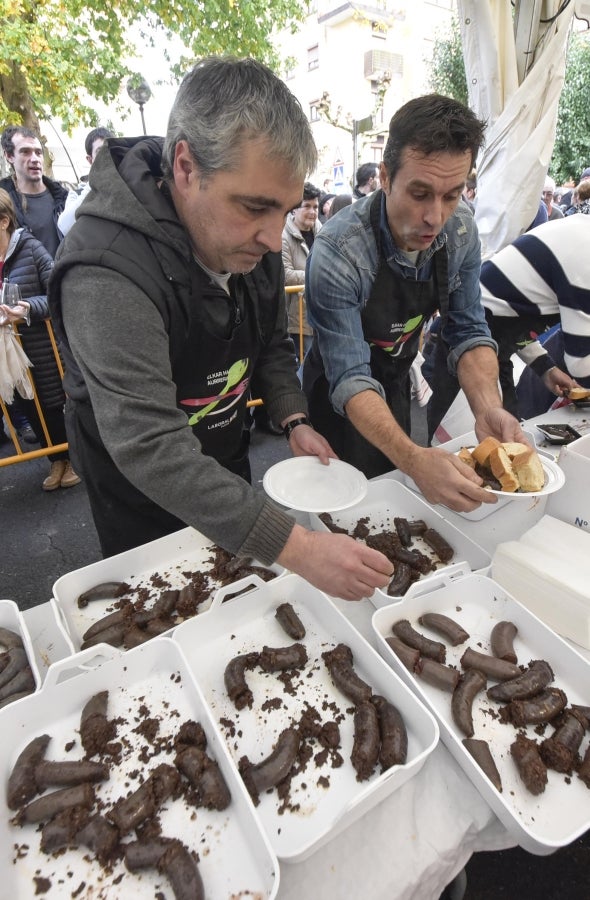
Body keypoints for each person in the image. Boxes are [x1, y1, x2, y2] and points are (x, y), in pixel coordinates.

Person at [48, 56, 394, 602]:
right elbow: (151, 446)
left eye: (283, 210)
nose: (270, 236)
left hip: (224, 464)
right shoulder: (104, 271)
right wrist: (299, 549)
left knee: (234, 598)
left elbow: (271, 344)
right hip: (139, 496)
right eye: (254, 206)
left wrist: (292, 415)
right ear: (185, 166)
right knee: (163, 611)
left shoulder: (256, 243)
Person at [303, 93, 526, 513]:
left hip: (394, 382)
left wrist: (488, 410)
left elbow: (469, 330)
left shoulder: (460, 232)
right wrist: (413, 458)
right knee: (337, 514)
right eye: (420, 193)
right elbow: (349, 375)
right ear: (385, 177)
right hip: (334, 394)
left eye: (452, 194)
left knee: (395, 502)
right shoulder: (339, 251)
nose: (435, 217)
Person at [0, 189, 80, 489]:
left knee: (51, 404)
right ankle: (55, 461)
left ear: (4, 221)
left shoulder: (31, 249)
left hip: (40, 347)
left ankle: (72, 458)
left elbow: (58, 293)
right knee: (29, 407)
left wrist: (28, 308)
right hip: (8, 353)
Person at [480, 215, 590, 415]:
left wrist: (545, 368)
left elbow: (516, 308)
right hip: (463, 339)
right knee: (447, 439)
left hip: (495, 341)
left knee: (508, 432)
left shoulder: (581, 232)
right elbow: (582, 366)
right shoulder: (586, 257)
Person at [0, 126, 67, 258]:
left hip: (66, 277)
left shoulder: (64, 199)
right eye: (25, 152)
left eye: (38, 152)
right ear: (9, 156)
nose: (35, 159)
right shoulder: (3, 203)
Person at [282, 181, 321, 363]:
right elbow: (286, 275)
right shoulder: (283, 236)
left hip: (321, 313)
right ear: (294, 209)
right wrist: (318, 275)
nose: (312, 212)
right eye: (307, 206)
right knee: (303, 366)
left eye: (315, 206)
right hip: (298, 318)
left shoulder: (322, 232)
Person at [58, 127, 115, 236]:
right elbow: (65, 227)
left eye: (109, 149)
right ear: (90, 160)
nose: (107, 156)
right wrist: (94, 183)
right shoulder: (76, 195)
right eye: (100, 151)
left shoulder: (127, 182)